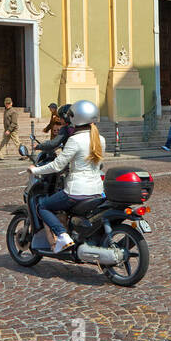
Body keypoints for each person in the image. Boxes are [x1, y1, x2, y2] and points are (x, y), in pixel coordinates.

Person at [26, 99, 105, 254]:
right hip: (97, 191)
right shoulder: (100, 139)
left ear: (76, 118)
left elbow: (57, 165)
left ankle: (62, 236)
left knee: (42, 206)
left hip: (76, 191)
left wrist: (35, 170)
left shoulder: (75, 140)